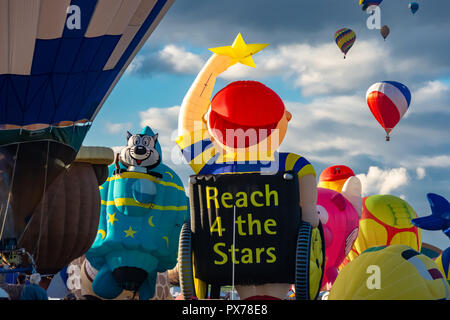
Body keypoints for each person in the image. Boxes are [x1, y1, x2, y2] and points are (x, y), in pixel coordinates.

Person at [177, 37, 321, 300]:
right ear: (282, 120)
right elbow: (309, 221)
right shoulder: (294, 165)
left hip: (224, 259)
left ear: (211, 124)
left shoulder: (211, 165)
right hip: (280, 258)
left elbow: (187, 121)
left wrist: (215, 66)